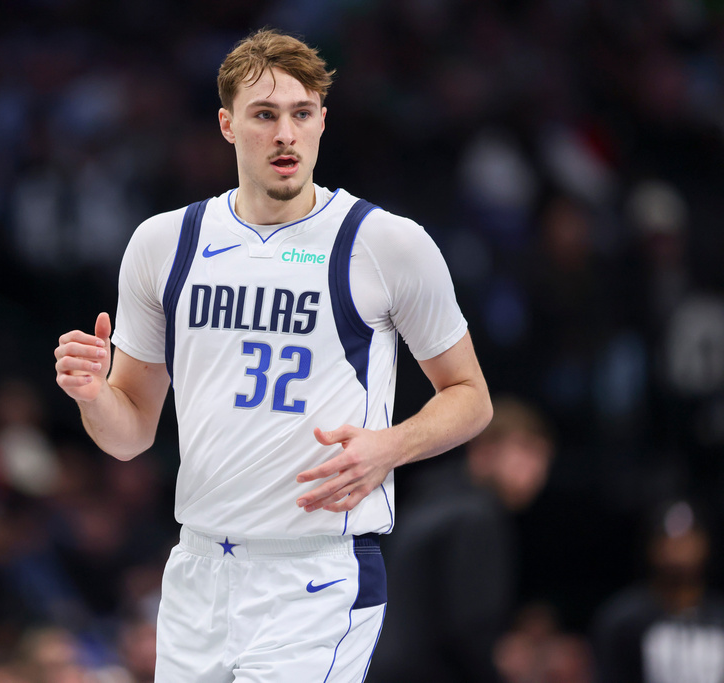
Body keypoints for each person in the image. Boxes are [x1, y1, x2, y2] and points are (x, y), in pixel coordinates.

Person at [53, 28, 492, 682]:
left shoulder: (386, 243)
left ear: (322, 122)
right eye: (264, 115)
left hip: (316, 573)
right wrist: (93, 397)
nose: (286, 134)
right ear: (228, 125)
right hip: (199, 568)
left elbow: (471, 397)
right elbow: (130, 435)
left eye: (301, 114)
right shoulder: (164, 243)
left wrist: (391, 445)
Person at [367, 396, 554, 682]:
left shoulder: (427, 499)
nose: (536, 469)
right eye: (525, 450)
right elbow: (471, 628)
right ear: (483, 450)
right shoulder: (478, 516)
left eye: (543, 457)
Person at [591, 499, 724, 683]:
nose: (678, 547)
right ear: (651, 546)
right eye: (668, 538)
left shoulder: (719, 617)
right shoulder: (624, 621)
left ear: (705, 544)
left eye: (688, 538)